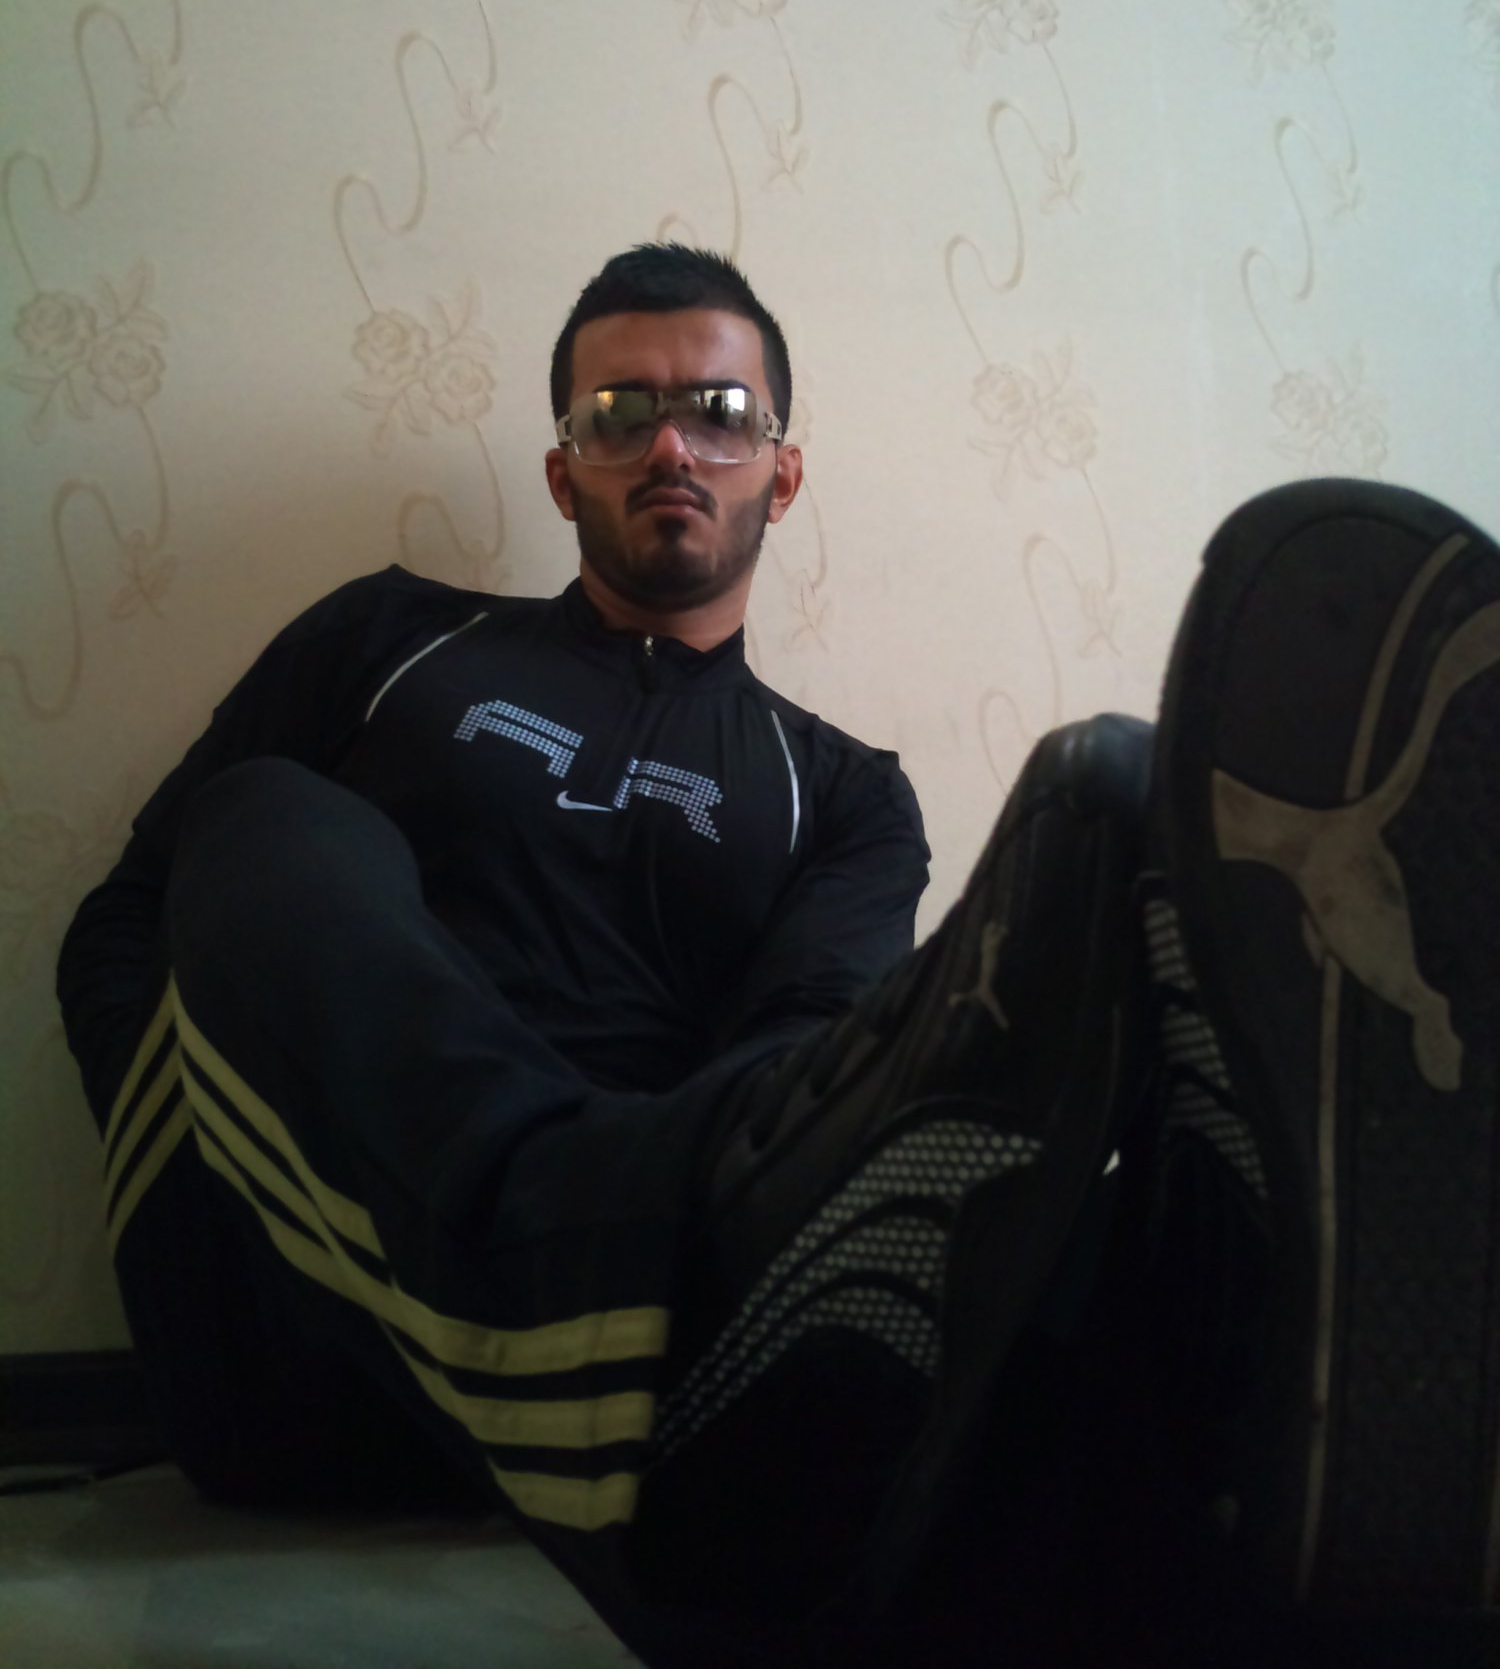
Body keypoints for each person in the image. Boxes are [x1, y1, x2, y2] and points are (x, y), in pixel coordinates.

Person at [56, 243, 1500, 1667]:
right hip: (310, 1327)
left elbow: (798, 1080)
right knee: (263, 821)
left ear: (782, 473)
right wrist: (177, 1161)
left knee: (1107, 880)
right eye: (618, 414)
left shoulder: (845, 792)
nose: (669, 445)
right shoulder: (387, 639)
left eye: (720, 413)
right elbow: (124, 928)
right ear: (563, 474)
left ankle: (1267, 1405)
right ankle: (559, 1268)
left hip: (668, 1377)